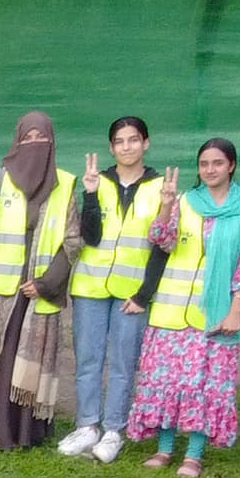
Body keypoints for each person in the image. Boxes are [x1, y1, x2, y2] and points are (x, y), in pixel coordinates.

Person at [126, 137, 240, 478]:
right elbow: (162, 239)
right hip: (172, 311)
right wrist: (167, 205)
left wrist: (236, 309)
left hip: (214, 313)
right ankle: (164, 447)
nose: (210, 170)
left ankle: (195, 453)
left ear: (231, 165)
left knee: (206, 385)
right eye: (204, 164)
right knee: (168, 381)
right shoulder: (187, 201)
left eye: (217, 163)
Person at [0, 110, 79, 449]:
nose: (35, 145)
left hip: (36, 289)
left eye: (42, 138)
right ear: (17, 141)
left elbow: (73, 242)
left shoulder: (65, 183)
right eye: (28, 138)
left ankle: (22, 432)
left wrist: (48, 283)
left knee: (25, 359)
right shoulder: (0, 179)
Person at [58, 115, 169, 460]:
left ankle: (113, 430)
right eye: (120, 142)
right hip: (90, 285)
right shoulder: (98, 181)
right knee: (89, 359)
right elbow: (89, 236)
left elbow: (162, 246)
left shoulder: (161, 187)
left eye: (133, 140)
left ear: (146, 143)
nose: (127, 147)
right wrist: (90, 195)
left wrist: (143, 294)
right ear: (111, 147)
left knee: (123, 362)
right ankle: (87, 424)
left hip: (131, 292)